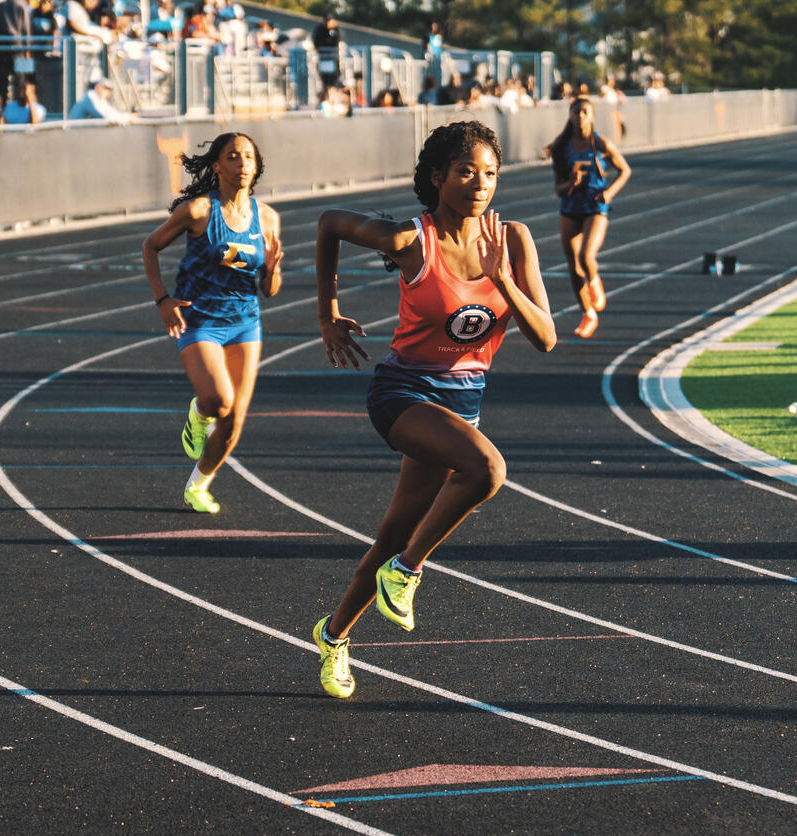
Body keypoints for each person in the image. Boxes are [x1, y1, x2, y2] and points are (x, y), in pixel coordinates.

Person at [309, 120, 557, 698]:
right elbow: (328, 225)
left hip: (463, 401)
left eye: (491, 173)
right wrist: (328, 314)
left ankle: (334, 633)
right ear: (438, 176)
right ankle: (409, 571)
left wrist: (504, 280)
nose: (480, 183)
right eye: (467, 171)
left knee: (394, 530)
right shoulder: (410, 240)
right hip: (403, 393)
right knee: (487, 470)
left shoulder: (513, 240)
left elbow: (545, 337)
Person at [141, 132, 283, 513]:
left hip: (244, 322)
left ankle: (199, 485)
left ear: (257, 166)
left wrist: (272, 269)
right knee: (219, 400)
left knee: (235, 420)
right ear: (217, 165)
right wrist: (162, 300)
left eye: (248, 157)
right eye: (233, 157)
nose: (242, 165)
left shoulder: (268, 218)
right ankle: (198, 414)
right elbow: (151, 246)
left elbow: (270, 289)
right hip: (200, 319)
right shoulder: (199, 211)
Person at [549, 96, 631, 338]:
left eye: (584, 112)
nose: (580, 116)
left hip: (595, 206)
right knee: (573, 266)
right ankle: (588, 314)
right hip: (571, 205)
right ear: (570, 115)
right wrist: (571, 183)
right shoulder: (562, 148)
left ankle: (594, 282)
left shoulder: (600, 143)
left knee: (586, 256)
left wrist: (609, 192)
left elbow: (625, 170)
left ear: (592, 116)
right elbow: (558, 189)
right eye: (576, 112)